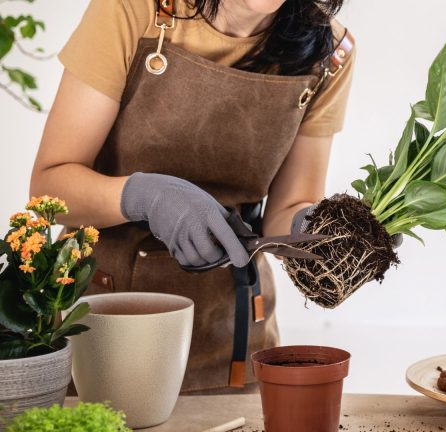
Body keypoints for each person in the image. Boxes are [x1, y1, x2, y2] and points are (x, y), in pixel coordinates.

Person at [29, 0, 354, 394]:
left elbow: (286, 210)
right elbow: (50, 186)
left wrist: (320, 230)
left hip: (232, 337)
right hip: (103, 326)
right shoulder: (132, 10)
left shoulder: (329, 52)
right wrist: (146, 197)